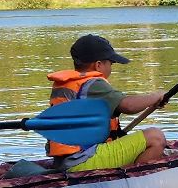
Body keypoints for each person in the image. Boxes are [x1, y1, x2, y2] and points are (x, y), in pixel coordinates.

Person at [44, 34, 168, 170]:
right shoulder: (93, 84)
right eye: (110, 63)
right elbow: (129, 106)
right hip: (82, 160)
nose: (111, 68)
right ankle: (132, 180)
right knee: (156, 137)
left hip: (65, 161)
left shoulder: (69, 84)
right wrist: (156, 96)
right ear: (98, 65)